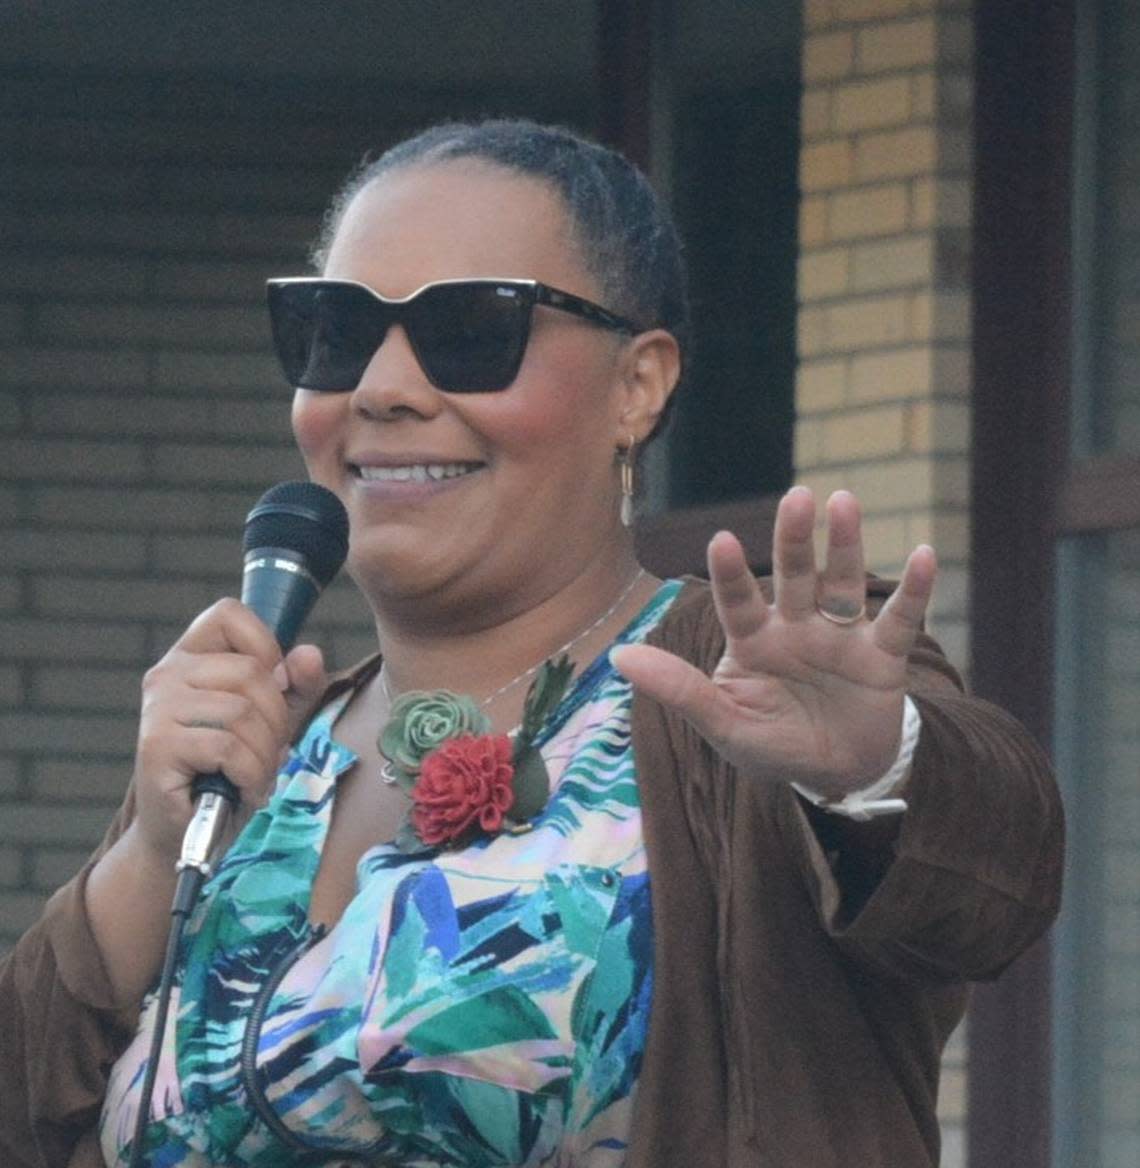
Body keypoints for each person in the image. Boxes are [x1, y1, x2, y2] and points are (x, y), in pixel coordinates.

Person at [0, 119, 1062, 1168]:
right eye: (336, 330)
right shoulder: (260, 756)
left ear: (636, 385)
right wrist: (147, 849)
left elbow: (993, 878)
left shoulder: (729, 696)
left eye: (470, 332)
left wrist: (874, 768)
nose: (383, 387)